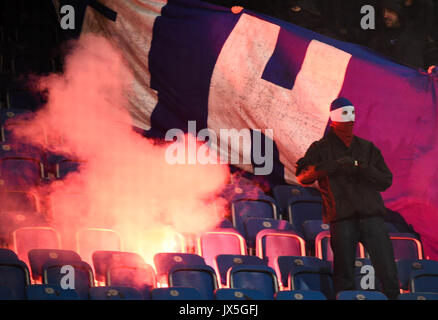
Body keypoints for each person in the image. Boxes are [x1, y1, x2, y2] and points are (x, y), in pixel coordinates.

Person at [295, 97, 400, 299]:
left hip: (372, 217)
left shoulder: (367, 148)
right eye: (344, 114)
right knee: (344, 275)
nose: (350, 119)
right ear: (333, 117)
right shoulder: (320, 148)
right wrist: (331, 166)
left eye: (352, 113)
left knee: (388, 271)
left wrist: (362, 168)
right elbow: (302, 176)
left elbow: (386, 180)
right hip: (342, 218)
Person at [368, 0, 438, 69]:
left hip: (413, 79)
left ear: (399, 12)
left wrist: (432, 67)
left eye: (390, 11)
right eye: (383, 11)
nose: (385, 16)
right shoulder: (378, 39)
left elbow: (431, 57)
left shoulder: (416, 34)